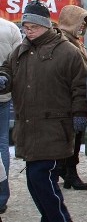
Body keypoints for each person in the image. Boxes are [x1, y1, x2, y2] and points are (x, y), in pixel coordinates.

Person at [0, 0, 87, 222]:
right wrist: (4, 78)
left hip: (54, 129)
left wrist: (80, 114)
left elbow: (81, 86)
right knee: (37, 181)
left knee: (41, 179)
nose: (29, 32)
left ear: (47, 26)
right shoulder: (21, 51)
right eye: (26, 28)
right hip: (29, 129)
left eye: (34, 27)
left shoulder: (67, 51)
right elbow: (8, 70)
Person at [56, 4, 87, 191]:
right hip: (68, 100)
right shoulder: (64, 42)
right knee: (69, 138)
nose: (82, 26)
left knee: (75, 138)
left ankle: (68, 171)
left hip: (76, 98)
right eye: (80, 22)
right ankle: (67, 171)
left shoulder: (74, 41)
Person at [0, 17, 21, 214]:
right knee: (2, 144)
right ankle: (1, 197)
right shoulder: (10, 28)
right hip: (3, 94)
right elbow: (19, 60)